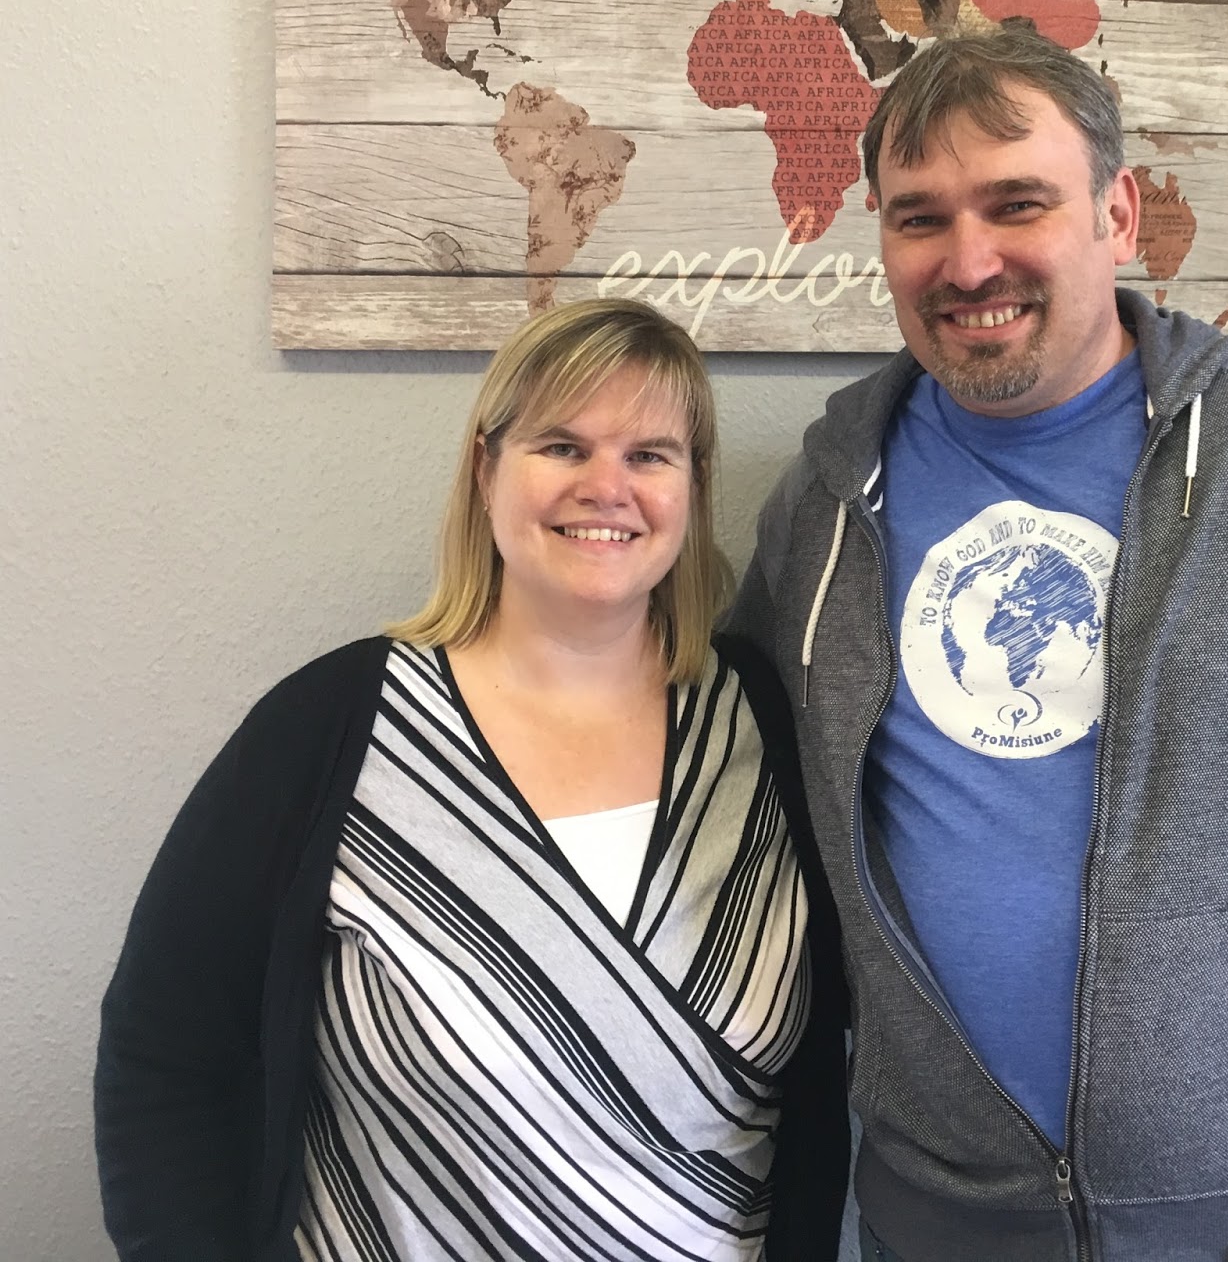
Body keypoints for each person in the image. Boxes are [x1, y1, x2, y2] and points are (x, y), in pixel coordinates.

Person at [726, 20, 1228, 1262]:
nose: (968, 260)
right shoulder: (826, 500)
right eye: (919, 217)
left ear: (1117, 215)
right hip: (931, 1219)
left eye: (1017, 203)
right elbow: (728, 775)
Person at [95, 298, 848, 1262]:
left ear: (693, 488)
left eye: (649, 455)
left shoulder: (761, 720)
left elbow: (817, 1093)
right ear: (485, 469)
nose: (606, 487)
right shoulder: (332, 727)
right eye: (562, 447)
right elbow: (166, 1059)